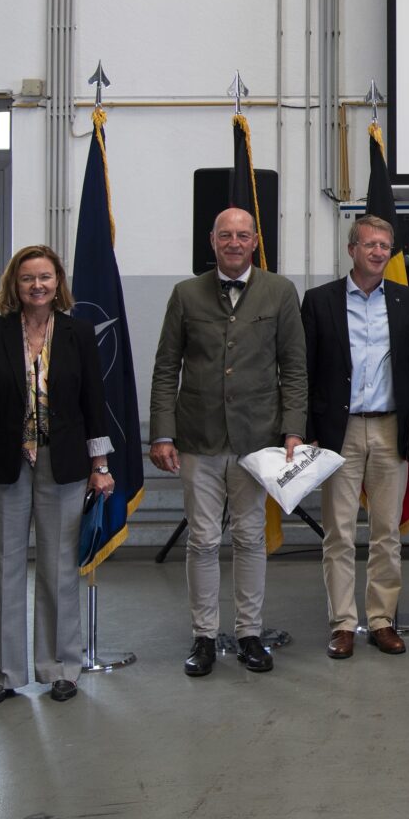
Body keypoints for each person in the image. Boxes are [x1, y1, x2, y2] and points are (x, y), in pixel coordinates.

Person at [149, 207, 308, 677]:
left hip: (258, 439)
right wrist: (162, 432)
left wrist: (292, 429)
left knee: (250, 536)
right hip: (199, 437)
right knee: (201, 540)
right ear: (212, 241)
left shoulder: (280, 291)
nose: (234, 242)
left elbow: (294, 367)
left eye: (242, 235)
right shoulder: (185, 294)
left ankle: (249, 633)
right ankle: (203, 635)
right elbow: (165, 367)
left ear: (255, 241)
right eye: (226, 235)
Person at [0, 245, 115, 707]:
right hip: (3, 464)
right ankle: (4, 675)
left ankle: (61, 668)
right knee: (4, 568)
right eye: (28, 278)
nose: (37, 286)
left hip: (63, 464)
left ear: (57, 282)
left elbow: (93, 403)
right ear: (15, 285)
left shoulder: (77, 333)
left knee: (59, 569)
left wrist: (100, 466)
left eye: (45, 277)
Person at [302, 215, 409, 660]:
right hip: (338, 430)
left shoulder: (408, 300)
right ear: (351, 248)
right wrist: (307, 432)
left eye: (385, 246)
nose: (379, 252)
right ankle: (343, 623)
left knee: (386, 532)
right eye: (370, 244)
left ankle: (381, 620)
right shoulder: (319, 302)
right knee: (338, 532)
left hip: (390, 427)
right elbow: (305, 371)